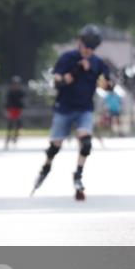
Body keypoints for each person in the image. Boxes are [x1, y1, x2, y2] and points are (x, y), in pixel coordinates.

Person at [32, 25, 114, 201]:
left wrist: (109, 84)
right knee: (55, 146)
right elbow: (57, 82)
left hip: (85, 108)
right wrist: (73, 73)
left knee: (86, 143)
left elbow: (107, 84)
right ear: (80, 43)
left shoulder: (97, 63)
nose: (88, 50)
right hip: (64, 107)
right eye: (86, 46)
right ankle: (46, 167)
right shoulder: (67, 58)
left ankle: (78, 175)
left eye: (92, 48)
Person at [4, 76, 26, 149]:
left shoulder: (21, 92)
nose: (16, 85)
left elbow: (22, 103)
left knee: (18, 125)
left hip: (18, 110)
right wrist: (7, 111)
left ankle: (15, 139)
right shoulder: (10, 92)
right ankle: (7, 140)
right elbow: (7, 103)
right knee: (10, 125)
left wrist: (21, 110)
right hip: (11, 109)